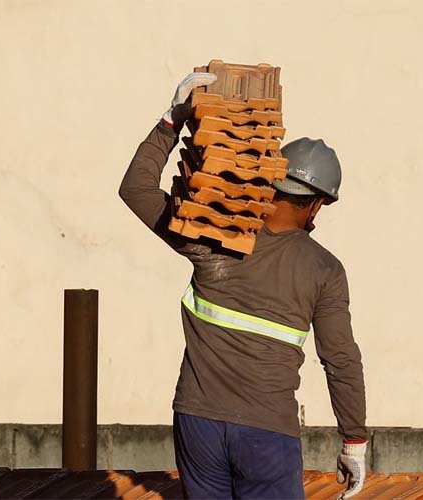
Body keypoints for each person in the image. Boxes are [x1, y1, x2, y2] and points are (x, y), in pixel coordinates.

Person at [119, 72, 367, 500]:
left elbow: (136, 188)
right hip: (267, 434)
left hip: (197, 424)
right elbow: (341, 361)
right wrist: (354, 442)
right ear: (316, 202)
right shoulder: (324, 270)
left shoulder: (210, 233)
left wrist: (172, 119)